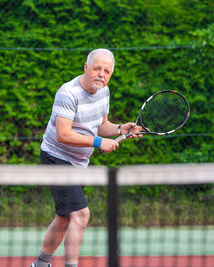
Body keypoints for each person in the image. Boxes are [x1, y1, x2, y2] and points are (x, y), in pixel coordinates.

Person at [31, 48, 142, 267]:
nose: (102, 74)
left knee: (64, 218)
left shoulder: (104, 91)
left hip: (78, 163)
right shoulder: (68, 93)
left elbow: (100, 125)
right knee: (81, 215)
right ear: (86, 68)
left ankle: (40, 265)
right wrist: (99, 143)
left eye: (107, 71)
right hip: (56, 157)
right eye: (97, 68)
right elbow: (64, 134)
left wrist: (120, 128)